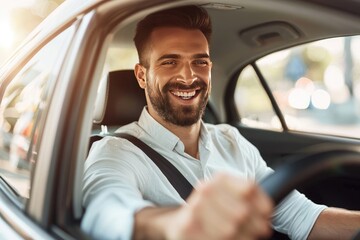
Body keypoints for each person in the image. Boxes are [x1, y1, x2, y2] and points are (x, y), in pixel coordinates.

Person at [81, 5, 360, 240]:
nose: (189, 77)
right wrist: (176, 224)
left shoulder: (231, 140)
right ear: (142, 76)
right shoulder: (116, 152)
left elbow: (302, 217)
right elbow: (105, 211)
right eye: (169, 62)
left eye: (200, 62)